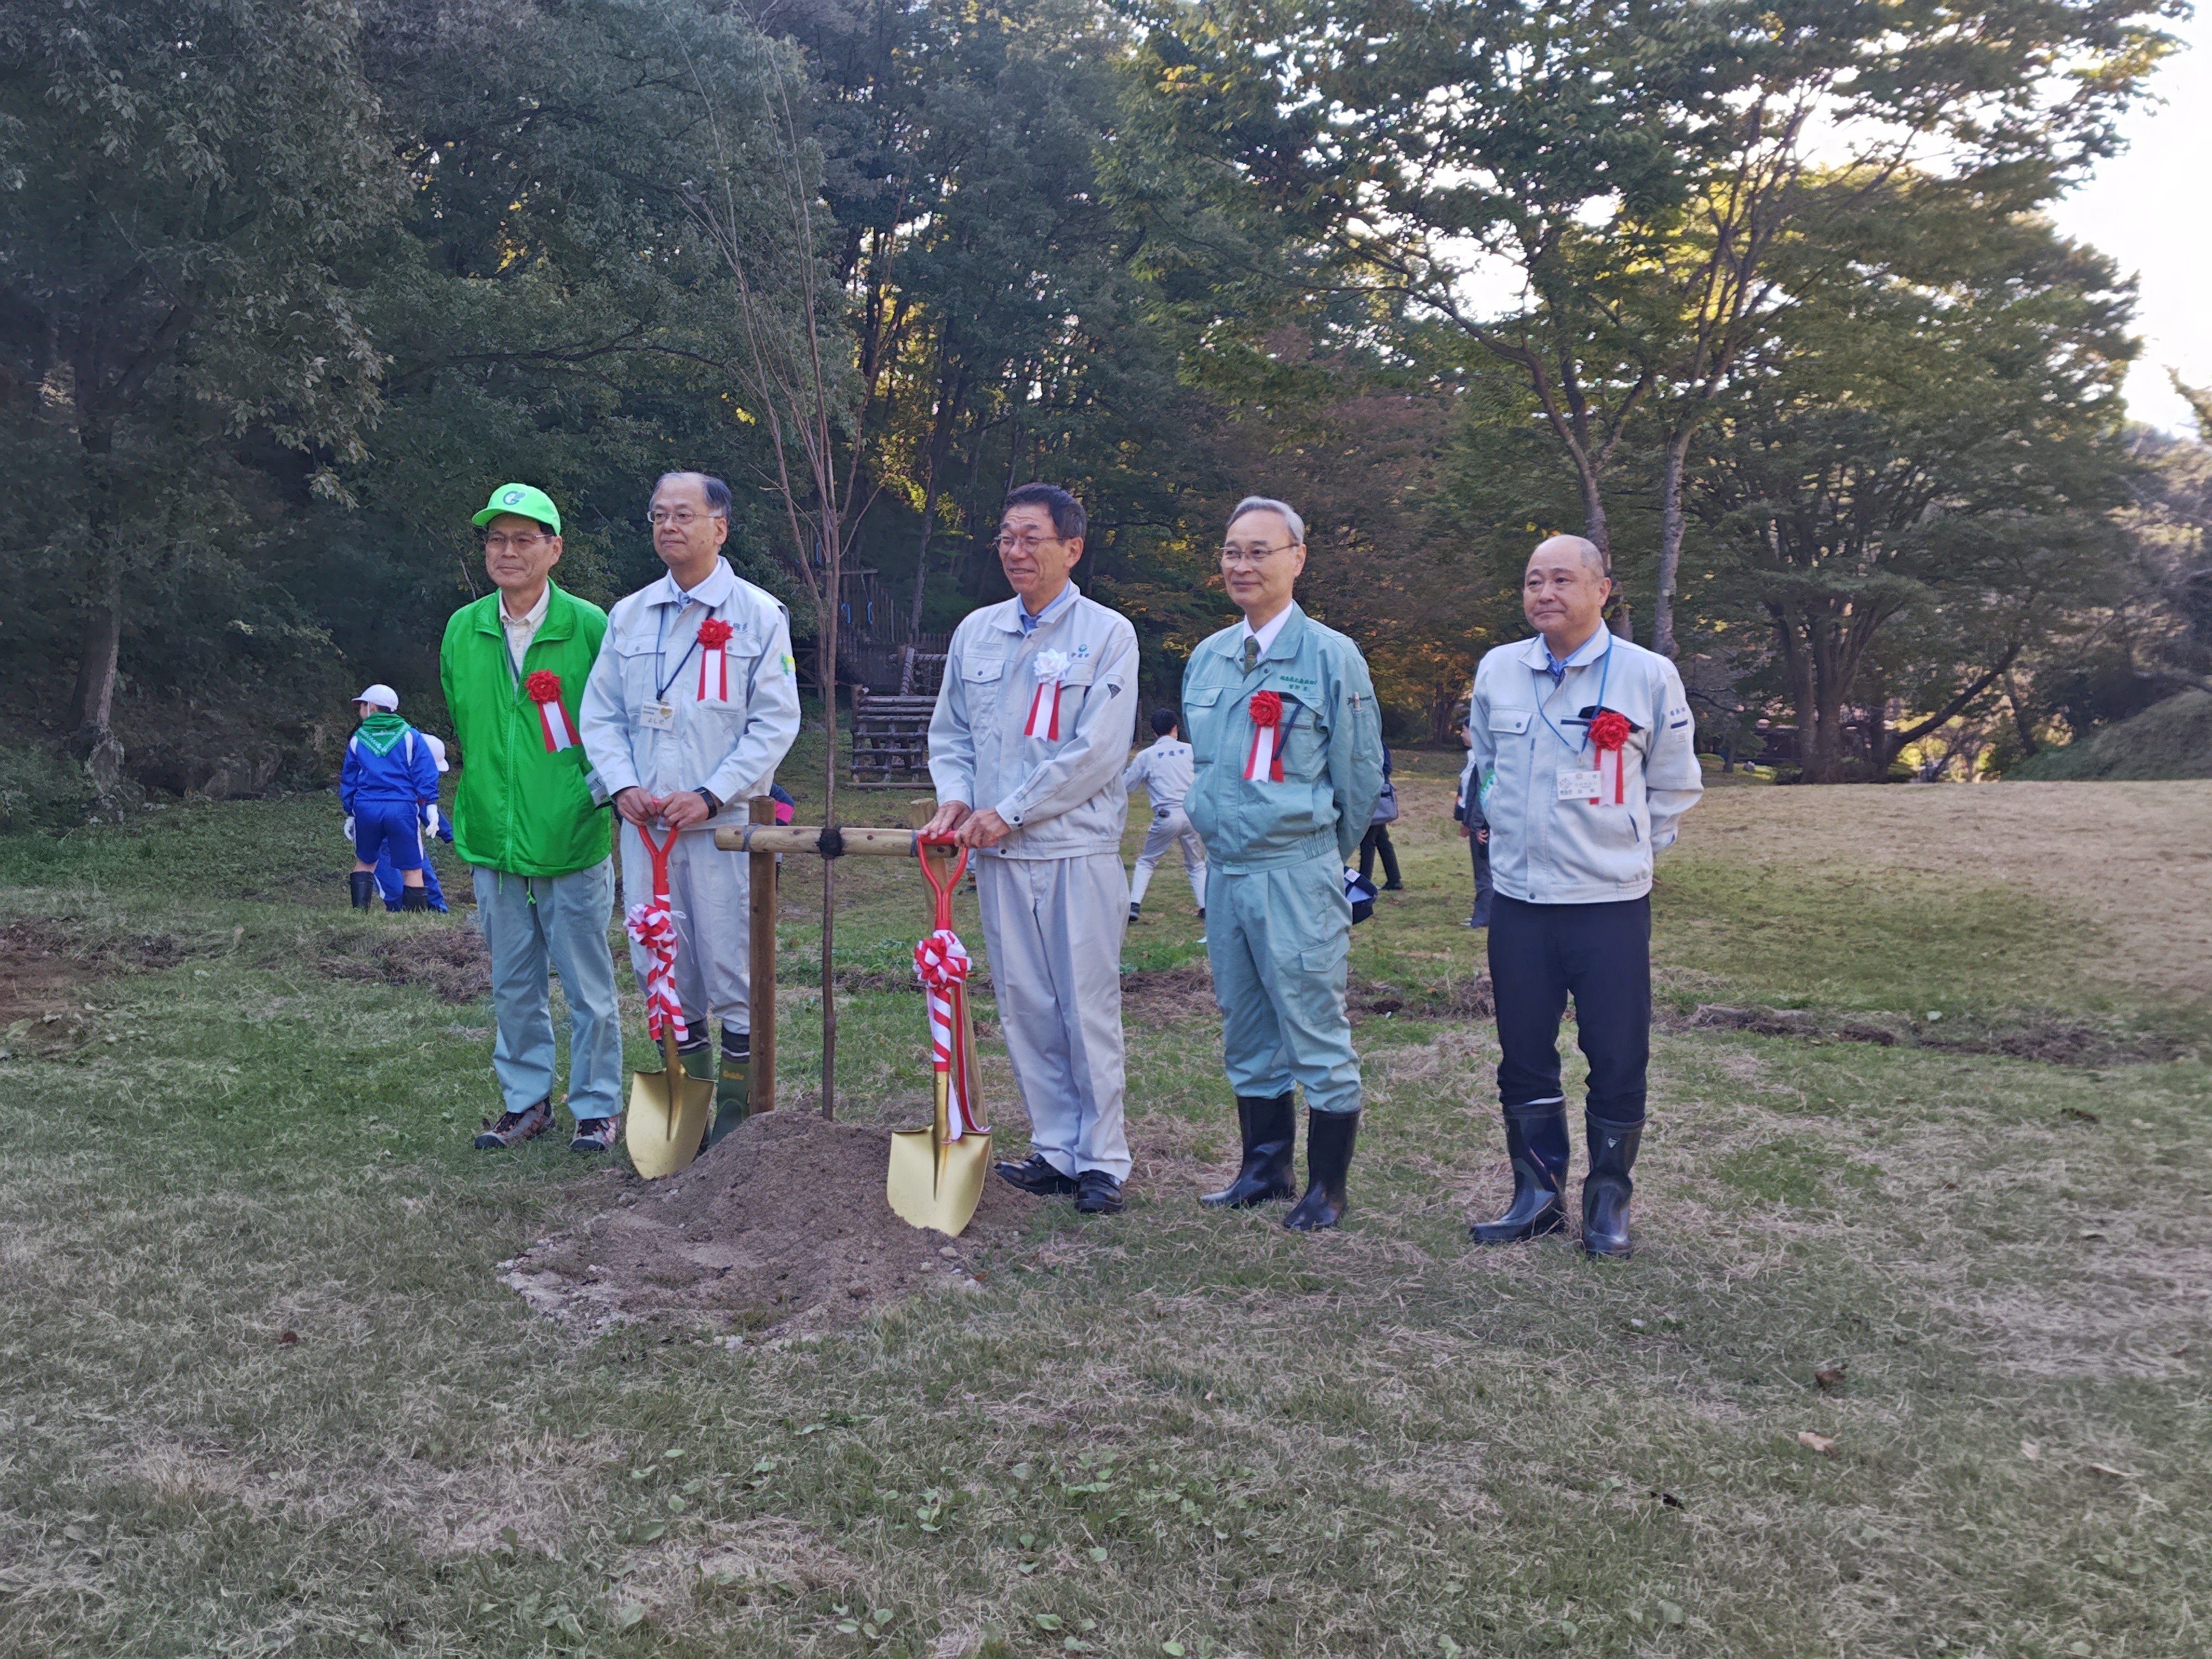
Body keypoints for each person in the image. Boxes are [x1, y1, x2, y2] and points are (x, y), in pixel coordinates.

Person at [1460, 534, 1703, 1257]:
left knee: (1617, 1052)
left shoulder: (1646, 676)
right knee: (1524, 1053)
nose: (1544, 593)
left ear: (1602, 590)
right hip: (1521, 903)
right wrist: (1498, 825)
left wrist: (1628, 844)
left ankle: (1607, 1204)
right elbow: (1484, 761)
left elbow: (1674, 781)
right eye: (1533, 580)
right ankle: (1536, 1195)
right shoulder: (1501, 670)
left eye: (1562, 580)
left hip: (1609, 903)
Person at [923, 483, 1139, 1216]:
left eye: (1032, 538)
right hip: (998, 856)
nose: (1016, 551)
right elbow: (951, 733)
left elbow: (1098, 751)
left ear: (1071, 548)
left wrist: (1011, 811)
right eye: (1006, 538)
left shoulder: (1108, 634)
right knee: (1023, 1006)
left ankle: (1102, 1160)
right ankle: (1055, 1148)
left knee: (1085, 1006)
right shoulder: (977, 632)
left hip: (1073, 850)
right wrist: (956, 797)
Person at [580, 471, 801, 1148]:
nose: (668, 527)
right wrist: (622, 787)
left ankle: (736, 1122)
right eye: (657, 516)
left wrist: (709, 794)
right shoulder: (629, 615)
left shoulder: (759, 614)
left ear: (719, 528)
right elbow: (601, 716)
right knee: (660, 963)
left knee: (731, 963)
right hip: (648, 829)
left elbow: (774, 723)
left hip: (724, 830)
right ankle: (684, 1111)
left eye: (683, 515)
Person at [1181, 497, 1382, 1231]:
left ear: (1298, 558)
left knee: (1313, 1023)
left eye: (1260, 551)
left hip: (1296, 866)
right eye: (1233, 551)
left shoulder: (1331, 657)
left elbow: (1358, 777)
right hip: (1227, 872)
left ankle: (1328, 1189)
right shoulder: (1208, 658)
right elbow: (1204, 766)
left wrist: (1317, 856)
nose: (1243, 564)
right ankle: (1264, 1167)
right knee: (1246, 1022)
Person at [440, 482, 626, 1153]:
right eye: (496, 539)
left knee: (588, 988)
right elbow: (465, 721)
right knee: (512, 985)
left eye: (524, 539)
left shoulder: (592, 627)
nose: (507, 551)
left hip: (570, 838)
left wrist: (588, 797)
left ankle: (598, 1107)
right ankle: (526, 1104)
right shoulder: (464, 629)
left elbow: (616, 727)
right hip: (493, 841)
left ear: (555, 549)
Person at [341, 684, 441, 912]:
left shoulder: (358, 739)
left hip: (366, 808)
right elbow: (425, 772)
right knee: (413, 868)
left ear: (373, 707)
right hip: (401, 808)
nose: (360, 711)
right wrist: (431, 803)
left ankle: (359, 914)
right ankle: (415, 920)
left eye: (362, 706)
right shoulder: (410, 736)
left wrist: (350, 812)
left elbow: (349, 778)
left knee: (365, 862)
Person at [1123, 709, 1206, 923]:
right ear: (1175, 728)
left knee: (1147, 861)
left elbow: (1127, 785)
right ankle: (1206, 907)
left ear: (1153, 731)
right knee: (1196, 864)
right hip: (1192, 815)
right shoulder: (1191, 750)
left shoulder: (1146, 756)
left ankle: (1134, 905)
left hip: (1166, 815)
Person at [373, 731, 451, 913]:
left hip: (407, 834)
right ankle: (399, 912)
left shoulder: (420, 784)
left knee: (425, 874)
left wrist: (448, 833)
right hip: (379, 838)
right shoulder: (381, 778)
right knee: (392, 883)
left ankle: (437, 910)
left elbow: (426, 806)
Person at [1453, 713, 1493, 928]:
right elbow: (1466, 794)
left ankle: (1483, 917)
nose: (1462, 735)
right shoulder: (1473, 759)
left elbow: (1481, 795)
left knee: (1484, 872)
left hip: (1484, 825)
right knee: (1482, 870)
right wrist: (1466, 822)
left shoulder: (1482, 761)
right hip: (1476, 823)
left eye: (1465, 730)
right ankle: (1483, 913)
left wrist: (1478, 825)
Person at [1357, 743, 1402, 891]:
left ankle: (1364, 883)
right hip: (1374, 796)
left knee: (1367, 841)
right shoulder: (1377, 743)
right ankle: (1394, 880)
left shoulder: (1374, 743)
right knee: (1382, 840)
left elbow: (1386, 768)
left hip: (1372, 796)